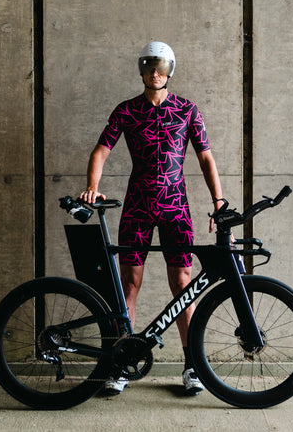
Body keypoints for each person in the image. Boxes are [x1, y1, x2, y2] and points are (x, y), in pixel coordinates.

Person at [80, 41, 224, 396]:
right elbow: (101, 150)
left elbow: (206, 157)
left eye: (160, 66)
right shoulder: (126, 111)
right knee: (129, 284)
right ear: (141, 71)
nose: (154, 72)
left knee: (183, 284)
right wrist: (91, 187)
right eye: (148, 66)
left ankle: (193, 366)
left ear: (169, 70)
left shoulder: (187, 110)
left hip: (176, 207)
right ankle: (120, 363)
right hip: (138, 205)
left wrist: (218, 200)